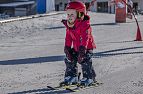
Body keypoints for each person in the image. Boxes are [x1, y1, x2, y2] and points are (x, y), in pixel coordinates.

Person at [60, 1, 96, 87]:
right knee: (69, 58)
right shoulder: (69, 25)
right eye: (68, 15)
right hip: (76, 48)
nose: (69, 17)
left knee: (84, 60)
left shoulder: (85, 25)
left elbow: (85, 38)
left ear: (80, 14)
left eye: (72, 14)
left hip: (86, 48)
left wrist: (83, 50)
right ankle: (72, 76)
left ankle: (89, 78)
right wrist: (67, 48)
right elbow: (68, 37)